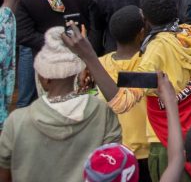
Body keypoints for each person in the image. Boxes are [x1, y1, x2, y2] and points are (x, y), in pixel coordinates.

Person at [0, 26, 121, 181]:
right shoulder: (103, 112)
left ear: (45, 77)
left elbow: (4, 175)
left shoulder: (16, 121)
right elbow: (114, 166)